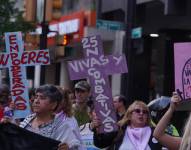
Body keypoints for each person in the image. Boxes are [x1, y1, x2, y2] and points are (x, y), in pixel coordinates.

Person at [19, 84, 81, 150]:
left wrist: (67, 148)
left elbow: (74, 146)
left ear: (53, 104)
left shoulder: (61, 126)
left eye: (42, 98)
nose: (36, 101)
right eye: (36, 97)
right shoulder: (27, 120)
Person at [93, 100, 162, 150]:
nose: (141, 113)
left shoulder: (155, 132)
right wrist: (97, 128)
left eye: (145, 112)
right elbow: (100, 143)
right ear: (129, 115)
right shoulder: (119, 129)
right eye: (137, 111)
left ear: (147, 116)